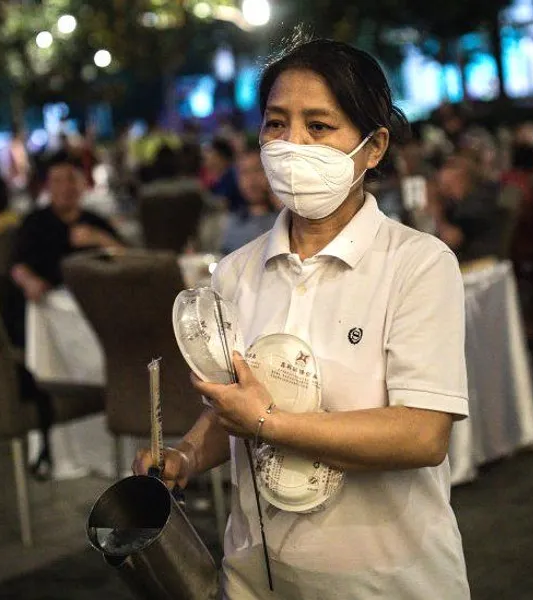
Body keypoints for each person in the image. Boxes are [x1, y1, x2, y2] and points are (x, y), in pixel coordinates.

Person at [135, 38, 470, 599]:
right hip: (258, 580)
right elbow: (229, 408)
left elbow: (422, 433)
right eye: (276, 124)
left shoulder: (417, 265)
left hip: (387, 581)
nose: (293, 145)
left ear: (373, 146)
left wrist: (269, 423)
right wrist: (187, 454)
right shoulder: (236, 274)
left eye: (319, 127)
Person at [11, 151, 124, 302]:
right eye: (57, 181)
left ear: (83, 183)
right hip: (51, 305)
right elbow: (17, 265)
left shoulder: (95, 222)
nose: (65, 187)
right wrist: (29, 282)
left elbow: (129, 260)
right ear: (48, 186)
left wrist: (100, 239)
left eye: (71, 179)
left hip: (96, 303)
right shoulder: (34, 223)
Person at [220, 146, 279, 254]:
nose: (251, 179)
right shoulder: (230, 223)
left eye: (257, 170)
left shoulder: (287, 220)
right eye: (244, 172)